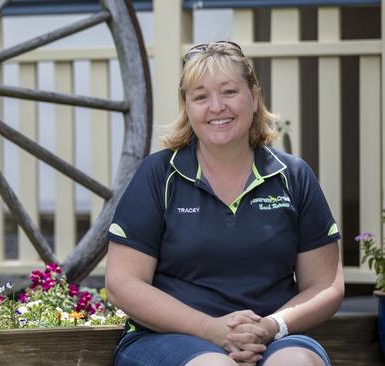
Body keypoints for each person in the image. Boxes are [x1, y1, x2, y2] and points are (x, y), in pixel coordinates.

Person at [105, 41, 344, 366]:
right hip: (168, 338)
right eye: (201, 97)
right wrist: (210, 329)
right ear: (187, 107)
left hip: (269, 337)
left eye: (229, 92)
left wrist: (272, 326)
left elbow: (325, 284)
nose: (216, 106)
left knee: (297, 363)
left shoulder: (293, 176)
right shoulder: (159, 175)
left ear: (254, 96)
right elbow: (122, 284)